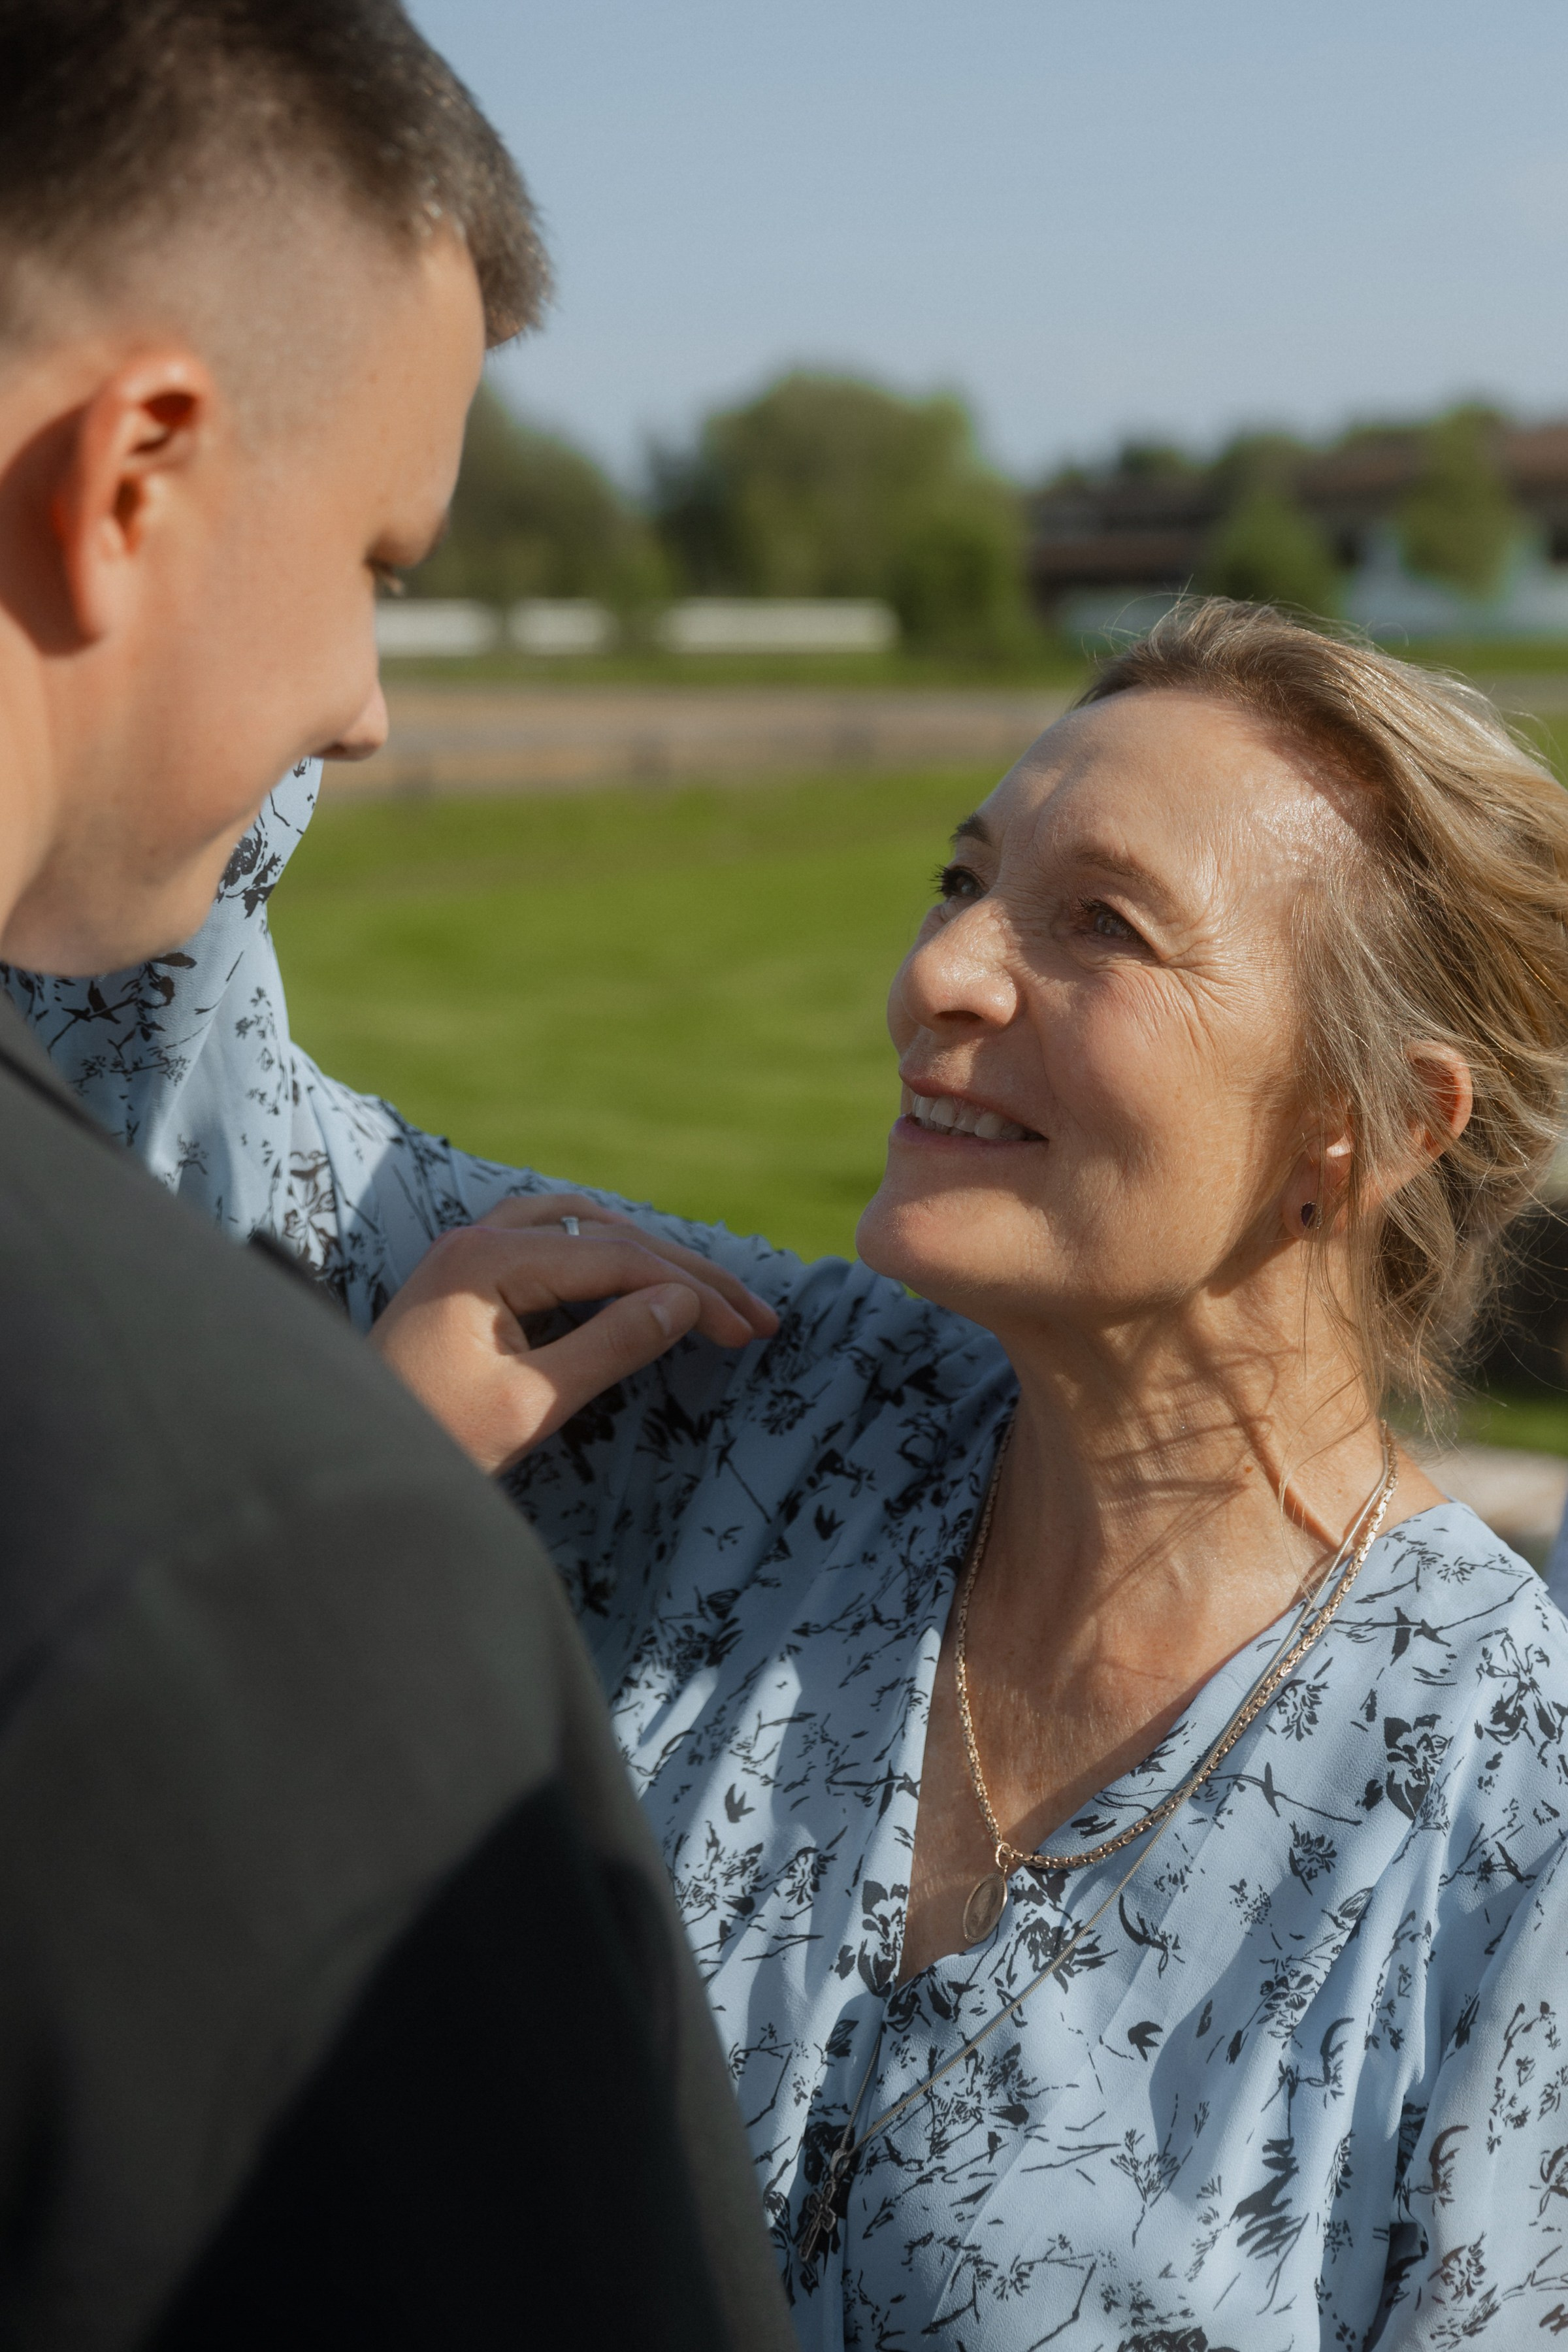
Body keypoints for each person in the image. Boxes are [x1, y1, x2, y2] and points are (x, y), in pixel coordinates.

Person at [21, 606, 1568, 2347]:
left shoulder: (1506, 1826)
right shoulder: (731, 1403)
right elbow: (129, 1072)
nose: (942, 972)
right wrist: (245, 519)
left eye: (1103, 926)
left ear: (1367, 1125)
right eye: (960, 878)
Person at [0, 3, 796, 2347]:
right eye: (381, 555)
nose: (363, 703)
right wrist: (309, 1543)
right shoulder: (243, 1555)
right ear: (136, 467)